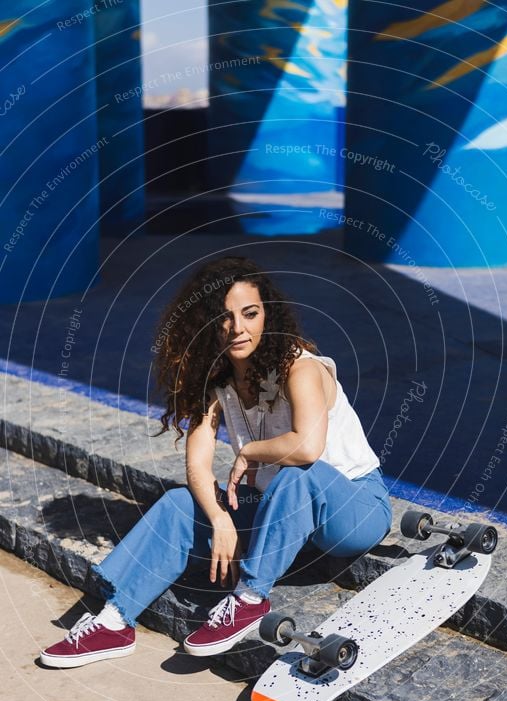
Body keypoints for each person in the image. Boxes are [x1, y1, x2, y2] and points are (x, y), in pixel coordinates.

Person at [40, 256, 392, 667]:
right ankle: (114, 621)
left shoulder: (301, 368)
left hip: (352, 509)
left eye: (250, 313)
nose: (238, 328)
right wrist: (220, 520)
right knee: (177, 505)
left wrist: (249, 451)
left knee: (296, 475)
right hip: (283, 518)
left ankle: (249, 598)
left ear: (268, 315)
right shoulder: (220, 383)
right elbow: (197, 465)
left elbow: (308, 448)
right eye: (225, 318)